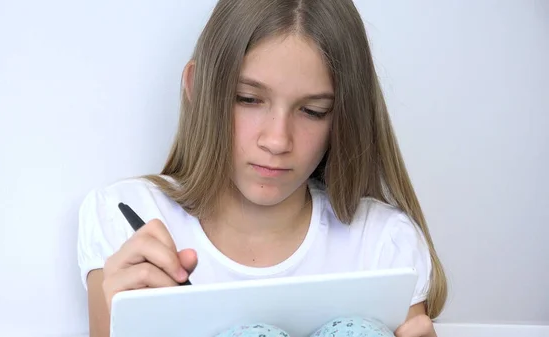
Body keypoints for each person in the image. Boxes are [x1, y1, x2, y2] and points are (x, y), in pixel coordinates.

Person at [77, 0, 448, 336]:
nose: (277, 140)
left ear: (343, 118)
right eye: (248, 99)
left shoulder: (381, 243)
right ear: (197, 88)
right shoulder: (128, 218)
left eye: (312, 111)